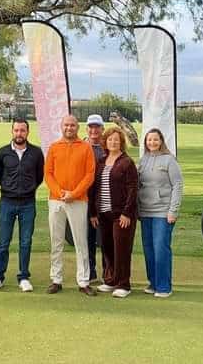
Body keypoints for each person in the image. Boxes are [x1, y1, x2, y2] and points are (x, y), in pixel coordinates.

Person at [43, 115, 98, 296]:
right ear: (61, 127)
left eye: (72, 125)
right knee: (56, 240)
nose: (69, 128)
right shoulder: (54, 147)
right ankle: (56, 279)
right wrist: (60, 193)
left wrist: (73, 194)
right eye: (66, 125)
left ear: (77, 127)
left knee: (80, 241)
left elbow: (89, 174)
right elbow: (48, 174)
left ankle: (83, 281)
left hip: (78, 200)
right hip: (56, 200)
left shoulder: (86, 148)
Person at [0, 118, 44, 292]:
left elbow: (39, 176)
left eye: (22, 130)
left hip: (28, 203)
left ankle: (24, 276)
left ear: (28, 132)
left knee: (25, 242)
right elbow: (0, 174)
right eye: (16, 130)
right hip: (7, 202)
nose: (19, 133)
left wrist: (28, 188)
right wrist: (9, 188)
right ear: (12, 132)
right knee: (3, 242)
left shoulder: (36, 153)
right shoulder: (3, 152)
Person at [88, 127, 138, 298]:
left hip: (121, 215)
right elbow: (94, 188)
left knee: (121, 249)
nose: (113, 142)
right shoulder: (101, 161)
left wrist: (127, 213)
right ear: (105, 142)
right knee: (107, 248)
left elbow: (133, 190)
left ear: (121, 142)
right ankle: (110, 280)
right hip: (103, 214)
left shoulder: (127, 162)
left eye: (116, 140)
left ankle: (123, 284)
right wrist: (93, 212)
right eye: (110, 140)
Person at [137, 128, 184, 298]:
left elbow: (178, 186)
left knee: (160, 248)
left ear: (161, 141)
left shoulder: (169, 160)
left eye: (155, 140)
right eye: (149, 140)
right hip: (145, 212)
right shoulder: (143, 160)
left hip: (163, 212)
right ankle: (153, 282)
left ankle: (164, 287)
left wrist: (173, 211)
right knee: (149, 249)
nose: (152, 143)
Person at [82, 114, 104, 281]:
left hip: (104, 198)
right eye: (91, 127)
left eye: (97, 127)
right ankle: (90, 271)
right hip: (85, 197)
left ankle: (109, 272)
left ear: (102, 129)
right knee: (87, 237)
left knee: (105, 238)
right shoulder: (81, 146)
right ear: (87, 129)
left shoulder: (109, 146)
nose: (94, 130)